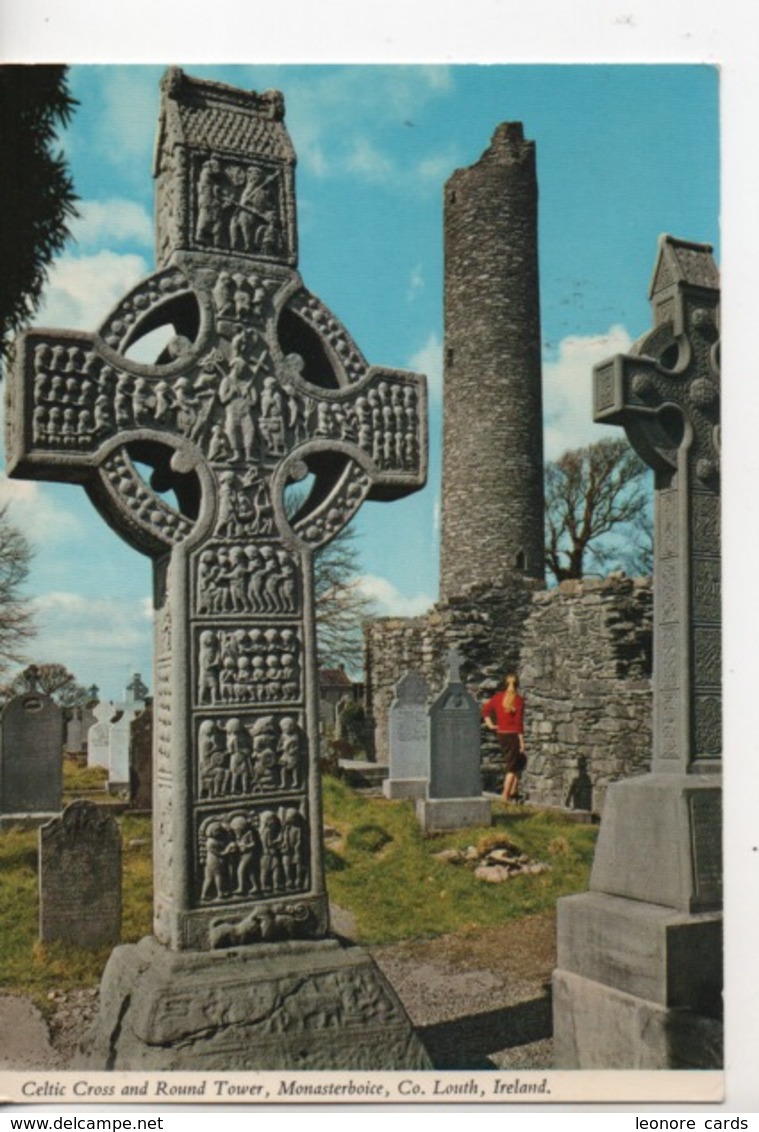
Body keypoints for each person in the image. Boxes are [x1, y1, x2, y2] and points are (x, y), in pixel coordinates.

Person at [482, 672, 526, 803]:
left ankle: (514, 791)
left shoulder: (497, 697)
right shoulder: (519, 700)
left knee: (521, 760)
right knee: (512, 767)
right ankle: (505, 796)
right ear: (517, 685)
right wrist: (522, 742)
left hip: (501, 733)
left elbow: (485, 711)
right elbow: (518, 724)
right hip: (513, 735)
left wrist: (491, 725)